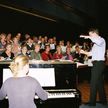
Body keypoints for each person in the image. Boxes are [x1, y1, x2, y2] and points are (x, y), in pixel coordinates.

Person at [80, 28, 107, 106]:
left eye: (91, 34)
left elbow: (97, 41)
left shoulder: (101, 40)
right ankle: (103, 101)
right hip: (96, 64)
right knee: (99, 84)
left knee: (93, 83)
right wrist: (83, 52)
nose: (90, 36)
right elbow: (90, 54)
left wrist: (88, 37)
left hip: (99, 64)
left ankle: (92, 103)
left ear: (95, 33)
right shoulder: (95, 44)